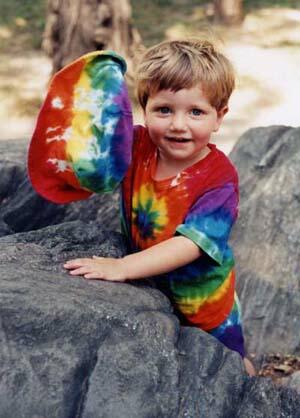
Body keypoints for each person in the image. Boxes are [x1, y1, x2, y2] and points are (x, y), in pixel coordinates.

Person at [63, 39, 255, 375]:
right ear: (145, 108)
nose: (178, 124)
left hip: (204, 303)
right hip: (151, 288)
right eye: (164, 110)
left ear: (219, 117)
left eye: (196, 112)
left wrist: (122, 267)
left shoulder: (219, 178)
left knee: (231, 365)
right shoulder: (137, 144)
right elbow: (94, 147)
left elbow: (191, 244)